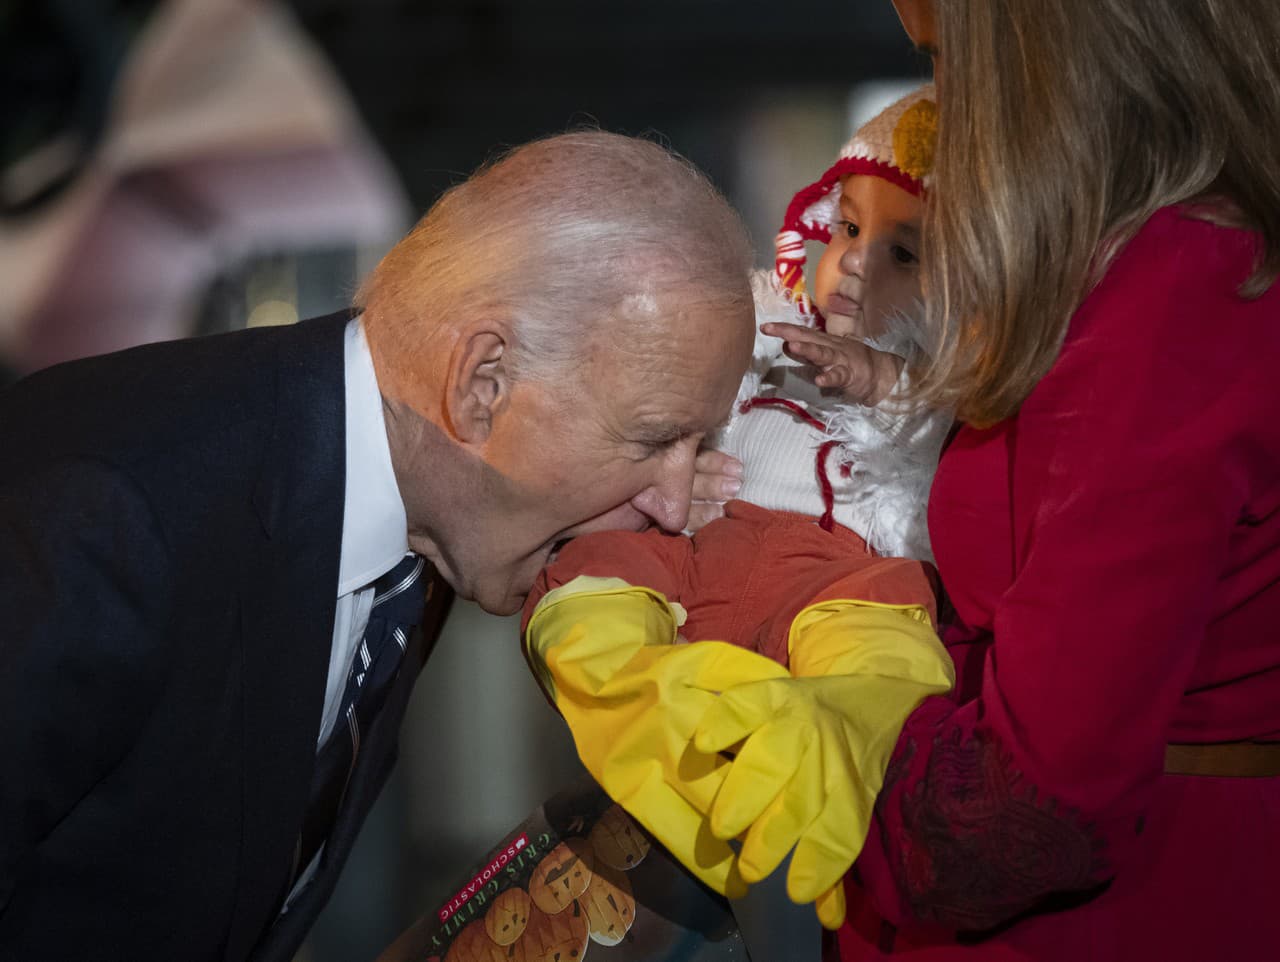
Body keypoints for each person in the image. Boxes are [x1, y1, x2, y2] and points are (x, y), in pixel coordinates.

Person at [530, 2, 1280, 960]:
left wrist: (823, 751)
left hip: (1121, 912)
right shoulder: (1137, 263)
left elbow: (1042, 800)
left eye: (944, 59)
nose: (941, 110)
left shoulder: (1170, 285)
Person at [0, 131, 782, 962]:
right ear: (484, 385)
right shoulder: (102, 518)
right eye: (655, 439)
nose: (672, 501)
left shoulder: (419, 508)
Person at [519, 88, 958, 931]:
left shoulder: (946, 386)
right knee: (583, 592)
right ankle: (671, 708)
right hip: (699, 551)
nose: (856, 264)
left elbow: (961, 415)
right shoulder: (766, 315)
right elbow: (680, 342)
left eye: (904, 255)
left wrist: (880, 378)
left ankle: (820, 733)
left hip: (836, 584)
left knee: (891, 655)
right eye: (847, 229)